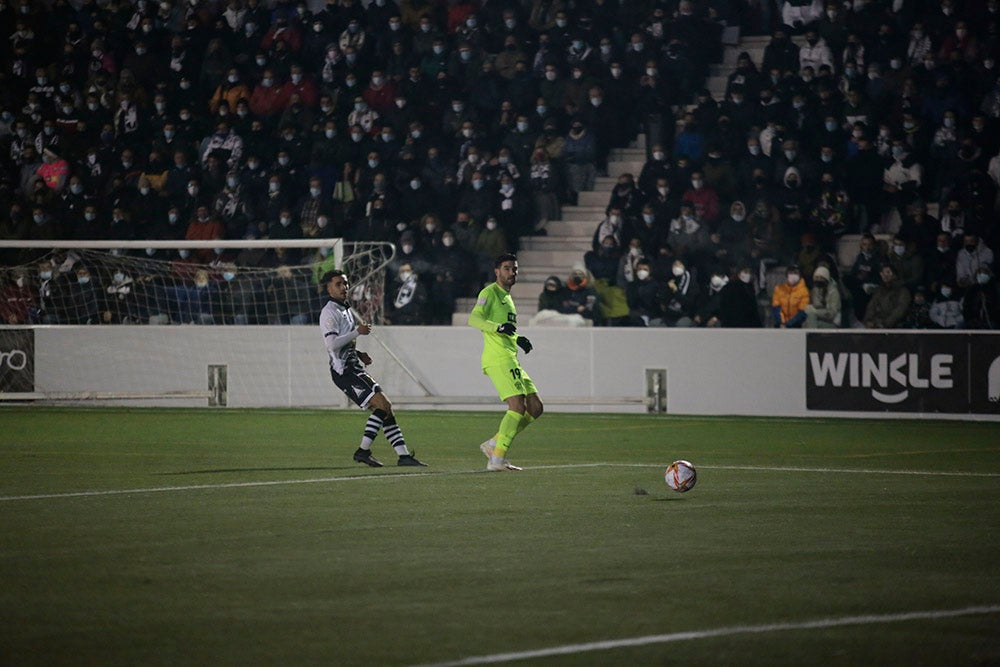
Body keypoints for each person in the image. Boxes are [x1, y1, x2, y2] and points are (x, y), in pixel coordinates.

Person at [320, 269, 426, 468]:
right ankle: (362, 451)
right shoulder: (329, 312)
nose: (344, 287)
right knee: (383, 405)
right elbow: (331, 345)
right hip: (344, 372)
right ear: (328, 288)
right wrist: (357, 332)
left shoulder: (344, 309)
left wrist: (358, 353)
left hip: (353, 366)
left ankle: (403, 456)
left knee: (386, 408)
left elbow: (343, 343)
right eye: (338, 284)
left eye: (345, 283)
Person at [468, 253, 543, 472]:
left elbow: (505, 327)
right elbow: (474, 319)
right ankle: (497, 459)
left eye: (515, 269)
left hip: (510, 357)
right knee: (517, 407)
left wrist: (517, 338)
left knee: (536, 407)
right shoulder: (489, 292)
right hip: (498, 358)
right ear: (497, 271)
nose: (512, 273)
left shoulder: (508, 298)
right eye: (507, 268)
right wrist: (498, 328)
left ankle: (493, 444)